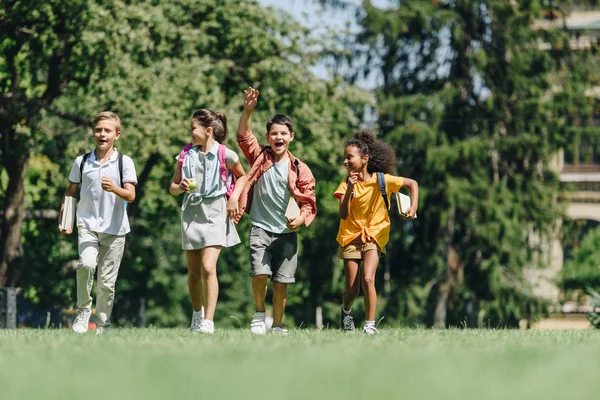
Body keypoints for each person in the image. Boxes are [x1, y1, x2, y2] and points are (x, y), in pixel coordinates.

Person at [237, 87, 317, 335]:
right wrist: (248, 109)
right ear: (268, 137)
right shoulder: (260, 156)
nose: (278, 137)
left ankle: (279, 325)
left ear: (291, 136)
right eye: (274, 133)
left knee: (282, 282)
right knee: (259, 274)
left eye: (283, 133)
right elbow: (243, 135)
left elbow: (309, 201)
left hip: (287, 232)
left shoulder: (299, 168)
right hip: (260, 226)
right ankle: (260, 314)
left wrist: (302, 219)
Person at [170, 109, 248, 334]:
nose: (190, 132)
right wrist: (180, 187)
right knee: (193, 272)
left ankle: (209, 320)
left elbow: (243, 176)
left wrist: (233, 198)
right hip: (192, 214)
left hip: (216, 213)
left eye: (193, 128)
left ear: (208, 131)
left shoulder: (227, 154)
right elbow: (172, 188)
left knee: (208, 266)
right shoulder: (185, 154)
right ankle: (197, 314)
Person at [59, 111, 138, 335]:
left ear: (117, 134)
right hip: (87, 224)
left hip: (115, 229)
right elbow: (71, 192)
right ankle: (83, 313)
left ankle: (103, 323)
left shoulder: (124, 162)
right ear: (93, 133)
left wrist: (114, 188)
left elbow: (131, 196)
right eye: (98, 130)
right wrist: (65, 218)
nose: (102, 134)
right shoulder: (82, 161)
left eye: (107, 130)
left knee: (106, 282)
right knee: (86, 264)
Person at [334, 130, 418, 334]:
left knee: (368, 278)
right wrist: (350, 191)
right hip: (350, 236)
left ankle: (370, 325)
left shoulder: (383, 180)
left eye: (349, 157)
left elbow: (412, 184)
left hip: (374, 234)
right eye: (344, 157)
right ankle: (346, 311)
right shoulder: (345, 184)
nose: (345, 161)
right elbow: (344, 215)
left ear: (364, 159)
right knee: (352, 289)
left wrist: (413, 207)